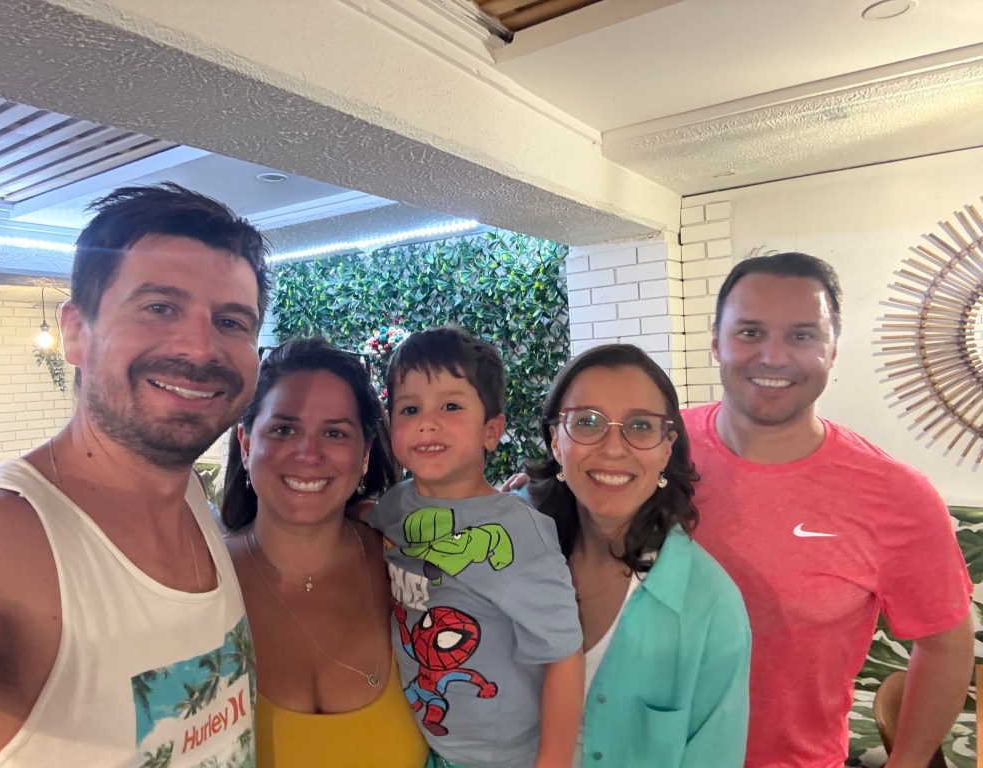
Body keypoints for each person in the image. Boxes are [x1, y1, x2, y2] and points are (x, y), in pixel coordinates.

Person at [0, 183, 270, 767]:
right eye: (159, 307)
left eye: (231, 321)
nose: (199, 348)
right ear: (76, 331)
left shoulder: (193, 501)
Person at [685, 251, 974, 768]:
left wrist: (907, 761)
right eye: (750, 332)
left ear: (833, 349)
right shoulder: (652, 447)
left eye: (802, 335)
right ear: (715, 341)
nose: (773, 357)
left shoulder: (898, 495)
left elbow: (946, 646)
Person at [524, 343, 751, 768]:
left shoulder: (711, 608)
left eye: (641, 426)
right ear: (556, 440)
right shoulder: (509, 550)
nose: (613, 449)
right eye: (587, 422)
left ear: (667, 447)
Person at [369, 327, 584, 768]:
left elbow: (563, 655)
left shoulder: (521, 533)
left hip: (510, 757)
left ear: (491, 431)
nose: (427, 422)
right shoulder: (392, 507)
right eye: (409, 408)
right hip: (428, 745)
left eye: (450, 406)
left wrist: (553, 761)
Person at [220, 337, 428, 768]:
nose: (308, 453)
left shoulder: (413, 565)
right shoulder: (199, 583)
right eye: (284, 429)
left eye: (335, 433)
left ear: (365, 454)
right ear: (246, 443)